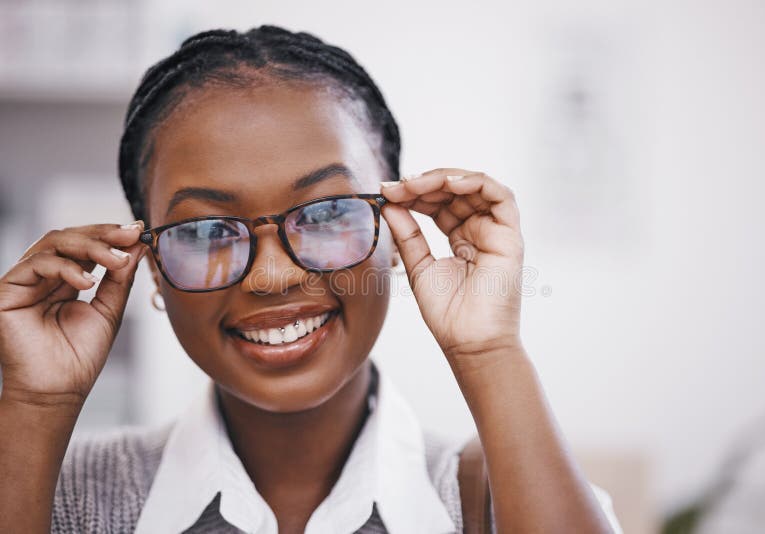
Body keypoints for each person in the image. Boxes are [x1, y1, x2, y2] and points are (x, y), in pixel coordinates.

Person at [0, 25, 623, 533]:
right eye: (207, 231)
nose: (272, 276)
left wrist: (490, 351)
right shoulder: (58, 497)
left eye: (328, 214)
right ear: (151, 266)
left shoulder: (505, 500)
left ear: (397, 226)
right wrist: (34, 405)